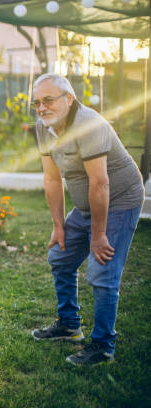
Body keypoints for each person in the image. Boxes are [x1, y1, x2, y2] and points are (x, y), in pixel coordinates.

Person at [30, 73, 144, 365]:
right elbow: (52, 178)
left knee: (102, 268)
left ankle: (103, 346)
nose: (41, 108)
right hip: (87, 205)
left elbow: (100, 183)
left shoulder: (87, 124)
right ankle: (69, 326)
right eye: (36, 103)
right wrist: (58, 226)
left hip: (119, 199)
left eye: (48, 100)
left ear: (69, 99)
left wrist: (99, 234)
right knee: (61, 256)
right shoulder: (44, 127)